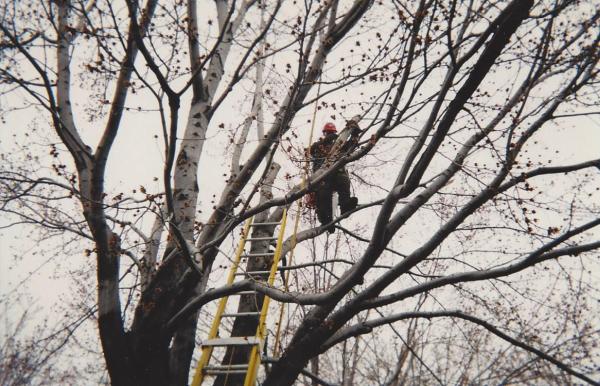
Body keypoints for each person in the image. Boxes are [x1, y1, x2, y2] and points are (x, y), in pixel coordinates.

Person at [310, 120, 360, 232]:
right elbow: (312, 150)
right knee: (323, 195)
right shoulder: (318, 146)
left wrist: (355, 133)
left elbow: (351, 145)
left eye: (330, 133)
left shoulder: (340, 146)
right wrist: (333, 137)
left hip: (337, 173)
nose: (329, 135)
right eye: (328, 133)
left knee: (344, 181)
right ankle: (326, 219)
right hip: (323, 175)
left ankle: (345, 205)